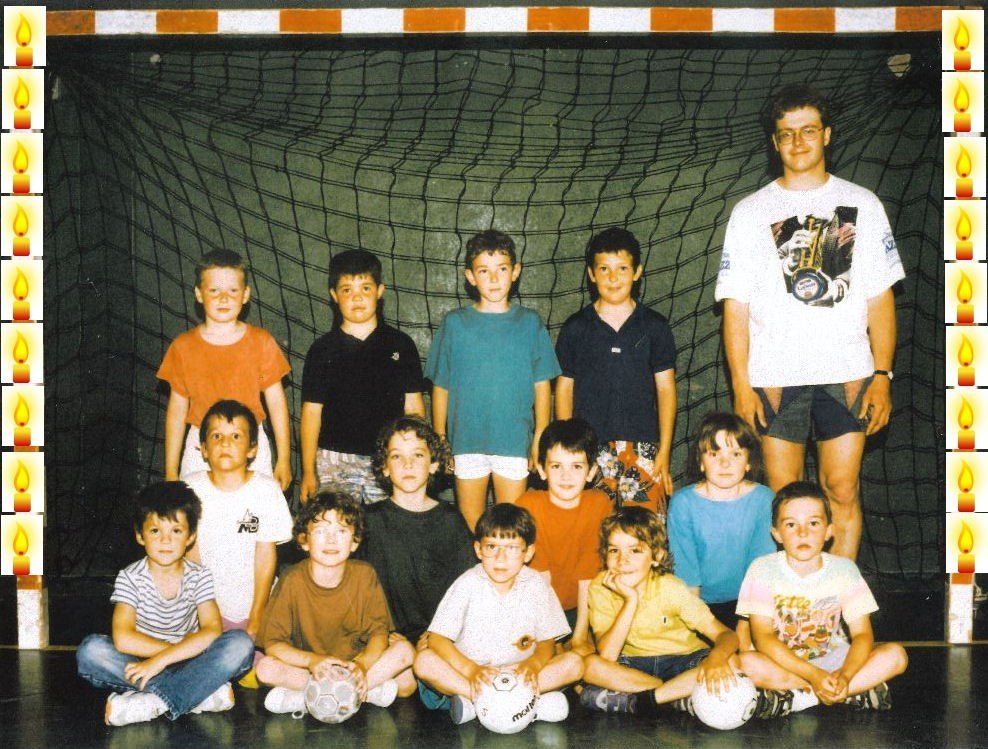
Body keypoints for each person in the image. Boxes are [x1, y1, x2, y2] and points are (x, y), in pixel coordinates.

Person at [715, 84, 905, 559]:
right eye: (786, 133)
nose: (798, 142)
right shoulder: (749, 213)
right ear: (774, 142)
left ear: (827, 135)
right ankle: (791, 599)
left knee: (842, 488)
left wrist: (882, 375)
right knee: (787, 501)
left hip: (847, 373)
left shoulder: (863, 203)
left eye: (808, 130)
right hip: (775, 377)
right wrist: (741, 384)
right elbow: (735, 308)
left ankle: (840, 596)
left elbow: (881, 299)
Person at [76, 482, 254, 726]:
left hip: (188, 660)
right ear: (140, 535)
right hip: (147, 661)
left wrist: (163, 660)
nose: (165, 540)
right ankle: (198, 693)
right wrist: (168, 655)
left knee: (240, 643)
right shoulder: (130, 577)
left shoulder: (199, 576)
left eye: (176, 531)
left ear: (191, 536)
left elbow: (212, 630)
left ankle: (155, 702)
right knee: (91, 651)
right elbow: (124, 638)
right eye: (155, 531)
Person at [425, 230, 560, 530]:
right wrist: (440, 437)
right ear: (470, 277)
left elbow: (542, 386)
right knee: (470, 528)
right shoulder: (454, 323)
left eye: (502, 268)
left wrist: (539, 435)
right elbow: (441, 385)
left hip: (513, 442)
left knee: (511, 529)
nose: (494, 278)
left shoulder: (530, 323)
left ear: (516, 271)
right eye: (484, 271)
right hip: (466, 443)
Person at [737, 481, 908, 711]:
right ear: (777, 534)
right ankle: (846, 693)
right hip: (782, 664)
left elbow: (862, 634)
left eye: (814, 523)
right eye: (791, 524)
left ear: (829, 531)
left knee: (896, 655)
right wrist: (813, 675)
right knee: (747, 663)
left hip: (832, 661)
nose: (803, 532)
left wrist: (845, 675)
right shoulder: (762, 569)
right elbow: (763, 638)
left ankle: (802, 697)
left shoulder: (844, 570)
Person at [413, 504, 583, 725]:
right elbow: (437, 639)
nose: (500, 558)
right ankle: (511, 703)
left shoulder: (536, 584)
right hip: (474, 676)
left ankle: (482, 705)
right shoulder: (467, 584)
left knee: (575, 663)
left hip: (520, 676)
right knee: (424, 662)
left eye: (512, 547)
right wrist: (471, 670)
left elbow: (547, 642)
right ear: (478, 549)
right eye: (492, 546)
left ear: (528, 552)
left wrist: (534, 664)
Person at [580, 505, 753, 715]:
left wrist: (716, 658)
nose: (622, 560)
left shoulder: (670, 587)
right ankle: (675, 695)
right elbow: (608, 655)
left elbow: (727, 635)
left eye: (635, 550)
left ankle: (647, 700)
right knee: (590, 666)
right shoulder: (600, 587)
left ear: (657, 556)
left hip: (683, 659)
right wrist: (630, 601)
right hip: (634, 665)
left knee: (732, 661)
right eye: (614, 550)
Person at [256, 490, 416, 715]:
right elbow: (273, 644)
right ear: (304, 541)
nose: (331, 540)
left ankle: (312, 697)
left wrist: (362, 665)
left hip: (355, 664)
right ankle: (361, 694)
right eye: (321, 531)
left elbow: (378, 634)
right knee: (265, 669)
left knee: (406, 661)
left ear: (355, 542)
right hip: (314, 668)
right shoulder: (292, 579)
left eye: (341, 531)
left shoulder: (365, 574)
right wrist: (312, 661)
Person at [555, 227, 676, 516]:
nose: (613, 278)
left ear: (637, 272)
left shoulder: (655, 326)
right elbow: (564, 388)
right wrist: (568, 449)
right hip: (589, 449)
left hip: (644, 447)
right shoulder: (575, 328)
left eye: (622, 268)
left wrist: (664, 451)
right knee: (593, 531)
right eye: (604, 269)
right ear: (591, 274)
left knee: (644, 532)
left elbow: (666, 389)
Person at [158, 249, 292, 490]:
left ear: (245, 294)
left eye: (232, 291)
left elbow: (277, 403)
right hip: (199, 446)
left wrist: (284, 459)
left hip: (251, 442)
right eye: (214, 291)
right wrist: (170, 469)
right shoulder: (183, 346)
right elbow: (176, 411)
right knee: (197, 511)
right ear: (199, 294)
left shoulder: (262, 341)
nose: (223, 298)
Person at [299, 249, 426, 504]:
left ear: (380, 291)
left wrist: (417, 456)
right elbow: (311, 413)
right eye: (347, 290)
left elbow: (414, 407)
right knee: (337, 526)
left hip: (389, 460)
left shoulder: (401, 345)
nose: (357, 297)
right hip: (334, 461)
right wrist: (309, 471)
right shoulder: (322, 350)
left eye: (365, 288)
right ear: (334, 295)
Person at [359, 415, 476, 644]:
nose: (408, 464)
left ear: (434, 464)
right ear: (384, 467)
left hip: (439, 639)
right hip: (385, 640)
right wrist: (381, 634)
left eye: (418, 455)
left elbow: (466, 589)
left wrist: (440, 634)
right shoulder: (369, 521)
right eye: (396, 456)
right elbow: (356, 589)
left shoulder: (451, 521)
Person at [184, 400, 293, 644]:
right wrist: (205, 614)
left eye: (236, 436)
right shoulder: (190, 488)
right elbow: (191, 557)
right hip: (207, 611)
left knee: (258, 653)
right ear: (203, 449)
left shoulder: (266, 490)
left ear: (252, 449)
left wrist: (256, 617)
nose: (225, 443)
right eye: (216, 436)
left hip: (257, 607)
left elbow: (265, 556)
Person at [667, 412, 776, 646]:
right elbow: (686, 575)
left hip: (751, 605)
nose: (725, 463)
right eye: (714, 454)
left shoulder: (763, 499)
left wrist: (745, 627)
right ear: (700, 461)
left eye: (735, 454)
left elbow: (761, 569)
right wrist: (700, 631)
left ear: (749, 462)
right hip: (699, 606)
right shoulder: (682, 503)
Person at [516, 418, 611, 635]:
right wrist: (550, 636)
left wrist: (580, 634)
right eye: (556, 466)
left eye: (576, 466)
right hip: (537, 607)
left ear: (591, 472)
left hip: (583, 606)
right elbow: (540, 579)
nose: (566, 476)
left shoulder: (599, 504)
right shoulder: (528, 505)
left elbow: (588, 573)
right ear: (542, 469)